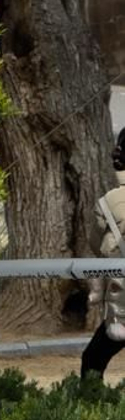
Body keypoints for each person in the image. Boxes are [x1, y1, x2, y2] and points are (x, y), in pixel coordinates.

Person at [83, 127, 125, 377]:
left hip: (122, 305)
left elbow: (94, 242)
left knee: (93, 360)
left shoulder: (109, 202)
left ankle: (91, 409)